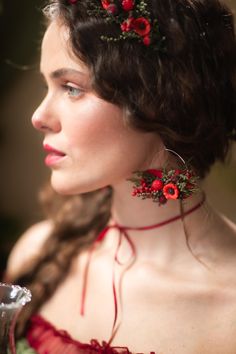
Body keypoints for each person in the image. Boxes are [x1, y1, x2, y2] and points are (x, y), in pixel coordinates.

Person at [5, 0, 236, 352]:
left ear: (158, 98)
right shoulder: (38, 253)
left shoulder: (228, 312)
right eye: (46, 87)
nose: (39, 116)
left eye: (71, 87)